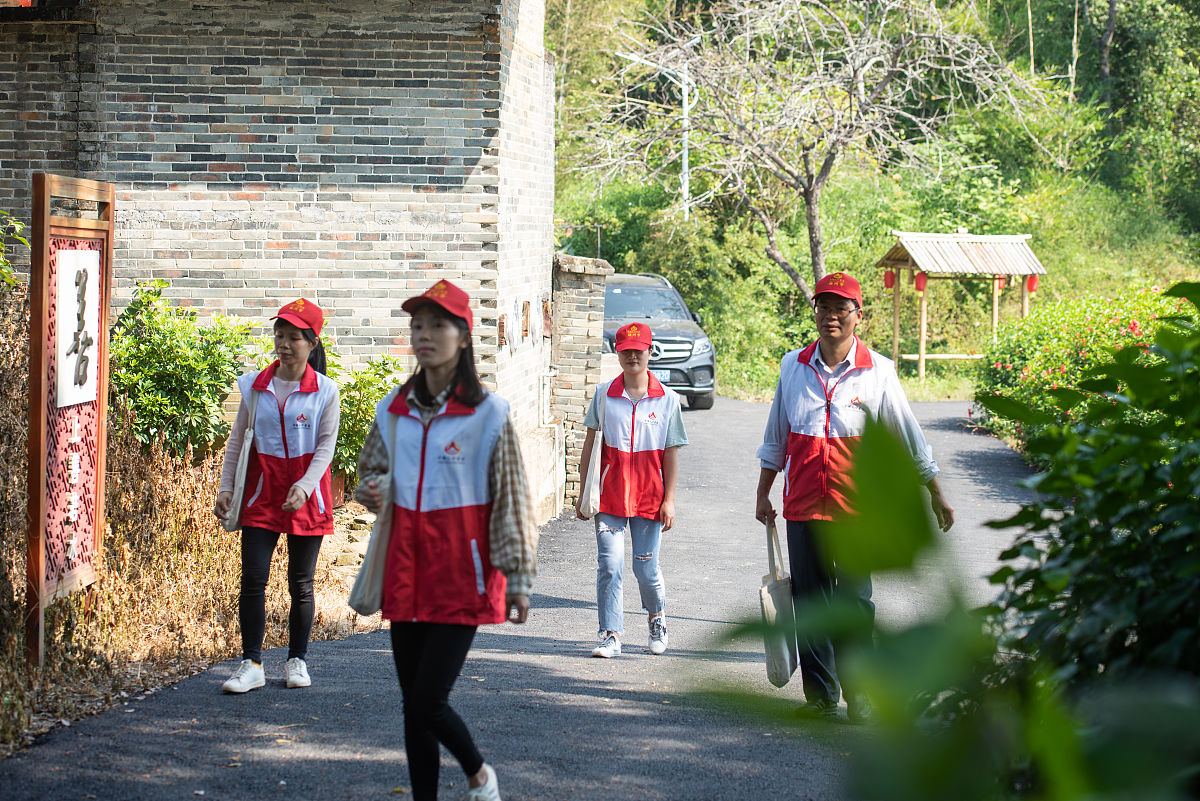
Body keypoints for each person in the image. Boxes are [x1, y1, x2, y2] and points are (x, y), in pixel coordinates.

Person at [355, 279, 537, 801]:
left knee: (428, 701)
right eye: (417, 326)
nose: (424, 335)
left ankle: (479, 772)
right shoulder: (394, 407)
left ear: (463, 337)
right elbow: (371, 471)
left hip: (464, 574)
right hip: (405, 570)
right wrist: (376, 490)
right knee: (413, 703)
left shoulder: (490, 414)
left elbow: (513, 498)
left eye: (437, 325)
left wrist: (519, 579)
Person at [754, 271, 954, 723]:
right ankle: (821, 697)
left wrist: (935, 492)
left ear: (857, 316)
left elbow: (906, 434)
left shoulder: (878, 371)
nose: (831, 316)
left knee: (857, 603)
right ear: (816, 313)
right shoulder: (793, 366)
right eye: (824, 307)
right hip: (804, 505)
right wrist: (764, 492)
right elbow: (777, 437)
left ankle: (862, 697)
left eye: (841, 308)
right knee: (810, 602)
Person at [213, 298, 340, 694]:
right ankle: (251, 663)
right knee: (252, 579)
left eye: (293, 338)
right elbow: (237, 441)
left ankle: (296, 660)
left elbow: (325, 447)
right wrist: (226, 487)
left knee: (300, 584)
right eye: (279, 336)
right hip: (261, 493)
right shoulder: (255, 385)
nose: (283, 344)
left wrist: (304, 486)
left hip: (307, 496)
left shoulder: (325, 391)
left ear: (311, 342)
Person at [576, 322, 688, 659]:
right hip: (610, 495)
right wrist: (584, 492)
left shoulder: (668, 400)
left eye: (639, 350)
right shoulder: (604, 394)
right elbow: (590, 444)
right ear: (617, 353)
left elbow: (671, 453)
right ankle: (610, 634)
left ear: (650, 352)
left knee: (645, 567)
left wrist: (669, 500)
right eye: (625, 350)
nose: (632, 356)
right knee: (609, 564)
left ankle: (657, 618)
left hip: (650, 498)